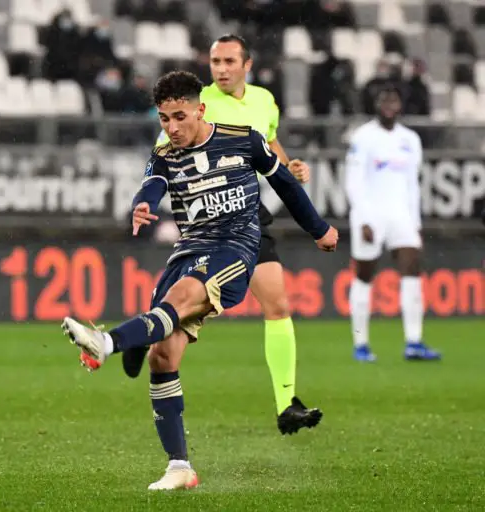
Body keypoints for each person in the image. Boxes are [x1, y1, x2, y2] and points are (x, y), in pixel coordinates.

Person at [61, 70, 339, 490]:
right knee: (162, 358)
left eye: (179, 117)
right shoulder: (164, 154)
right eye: (164, 119)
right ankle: (179, 467)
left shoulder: (244, 140)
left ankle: (108, 342)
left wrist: (319, 229)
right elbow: (151, 185)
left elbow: (284, 184)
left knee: (179, 300)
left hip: (235, 248)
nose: (172, 127)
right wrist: (141, 205)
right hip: (188, 249)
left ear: (200, 110)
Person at [119, 34, 325, 436]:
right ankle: (146, 332)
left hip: (247, 212)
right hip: (207, 219)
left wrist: (289, 167)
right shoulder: (196, 104)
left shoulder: (263, 100)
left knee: (278, 304)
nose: (222, 69)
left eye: (230, 61)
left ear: (247, 65)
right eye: (216, 61)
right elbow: (163, 156)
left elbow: (268, 144)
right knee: (183, 308)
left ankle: (286, 404)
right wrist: (147, 197)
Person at [345, 85, 441, 362]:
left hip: (401, 215)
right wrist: (363, 218)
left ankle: (414, 342)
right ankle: (361, 344)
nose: (389, 105)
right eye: (384, 100)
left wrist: (415, 221)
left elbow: (412, 184)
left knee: (412, 272)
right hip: (370, 215)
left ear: (400, 105)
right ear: (376, 105)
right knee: (364, 276)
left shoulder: (410, 139)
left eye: (393, 101)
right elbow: (354, 182)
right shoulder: (363, 137)